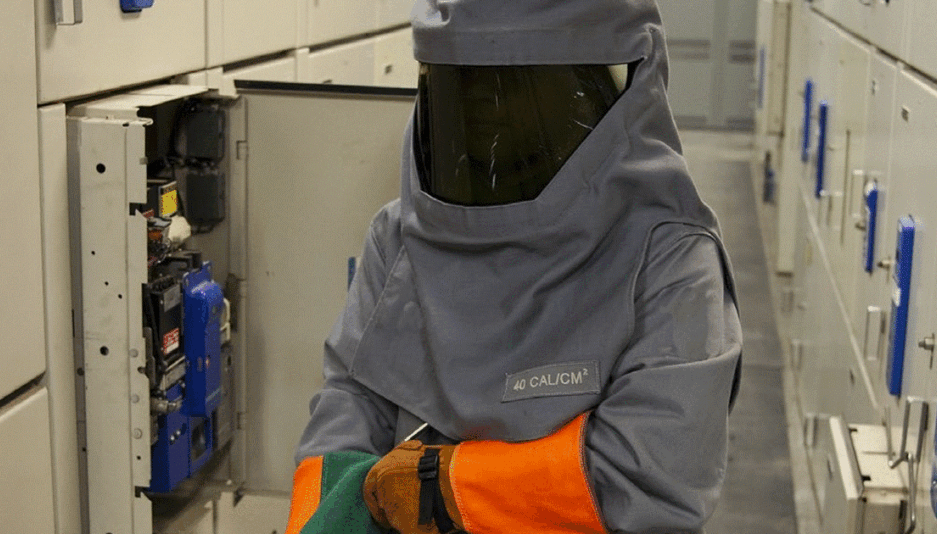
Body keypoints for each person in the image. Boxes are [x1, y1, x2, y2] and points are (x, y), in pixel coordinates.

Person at [285, 0, 743, 532]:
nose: (481, 100)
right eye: (462, 80)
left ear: (591, 90)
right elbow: (347, 412)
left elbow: (654, 479)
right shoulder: (399, 236)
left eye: (508, 79)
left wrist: (444, 487)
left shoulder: (670, 261)